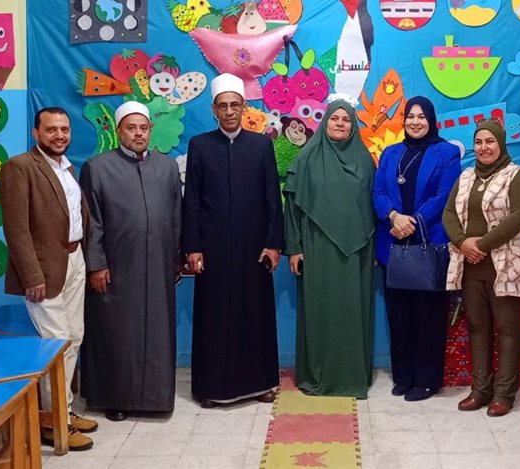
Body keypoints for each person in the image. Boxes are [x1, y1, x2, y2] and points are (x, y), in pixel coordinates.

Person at [183, 73, 283, 408]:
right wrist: (192, 247)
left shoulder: (261, 146)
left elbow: (272, 198)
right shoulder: (200, 146)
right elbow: (192, 200)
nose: (229, 111)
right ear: (214, 109)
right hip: (212, 251)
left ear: (244, 108)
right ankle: (211, 389)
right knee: (213, 318)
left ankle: (261, 384)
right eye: (222, 106)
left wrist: (273, 243)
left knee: (255, 315)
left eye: (234, 105)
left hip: (254, 250)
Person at [0, 107, 97, 451]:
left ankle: (63, 412)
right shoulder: (20, 167)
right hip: (43, 270)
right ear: (36, 133)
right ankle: (53, 423)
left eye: (64, 129)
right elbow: (16, 228)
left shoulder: (67, 168)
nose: (59, 135)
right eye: (51, 129)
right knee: (56, 343)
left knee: (74, 337)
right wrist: (31, 275)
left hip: (74, 259)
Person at [79, 101, 183, 421]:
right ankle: (116, 398)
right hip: (117, 268)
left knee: (157, 333)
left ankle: (156, 398)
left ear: (150, 130)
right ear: (119, 131)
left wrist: (177, 258)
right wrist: (97, 264)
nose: (138, 134)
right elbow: (92, 222)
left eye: (143, 128)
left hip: (159, 266)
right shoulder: (97, 167)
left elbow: (176, 216)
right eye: (131, 128)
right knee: (118, 333)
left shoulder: (167, 167)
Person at [284, 97, 377, 398]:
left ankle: (352, 376)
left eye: (346, 119)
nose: (340, 123)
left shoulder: (365, 161)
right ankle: (317, 375)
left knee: (353, 313)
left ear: (353, 125)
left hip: (358, 253)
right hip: (317, 250)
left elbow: (374, 207)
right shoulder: (306, 159)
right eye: (334, 118)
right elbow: (292, 208)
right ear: (325, 123)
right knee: (319, 312)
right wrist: (294, 248)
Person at [443, 120, 520, 418]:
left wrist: (481, 245)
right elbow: (449, 213)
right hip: (471, 267)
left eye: (490, 141)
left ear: (501, 144)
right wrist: (462, 242)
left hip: (505, 266)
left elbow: (519, 216)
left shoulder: (517, 175)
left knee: (507, 328)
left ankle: (504, 394)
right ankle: (480, 390)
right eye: (479, 142)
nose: (484, 147)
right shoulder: (466, 177)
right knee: (477, 326)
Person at [372, 96, 461, 402]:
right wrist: (393, 216)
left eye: (422, 116)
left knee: (428, 315)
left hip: (428, 243)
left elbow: (445, 194)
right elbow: (378, 191)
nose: (415, 122)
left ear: (431, 120)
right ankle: (404, 376)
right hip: (393, 243)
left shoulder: (447, 152)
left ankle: (426, 380)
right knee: (399, 315)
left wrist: (414, 221)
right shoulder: (391, 153)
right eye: (410, 116)